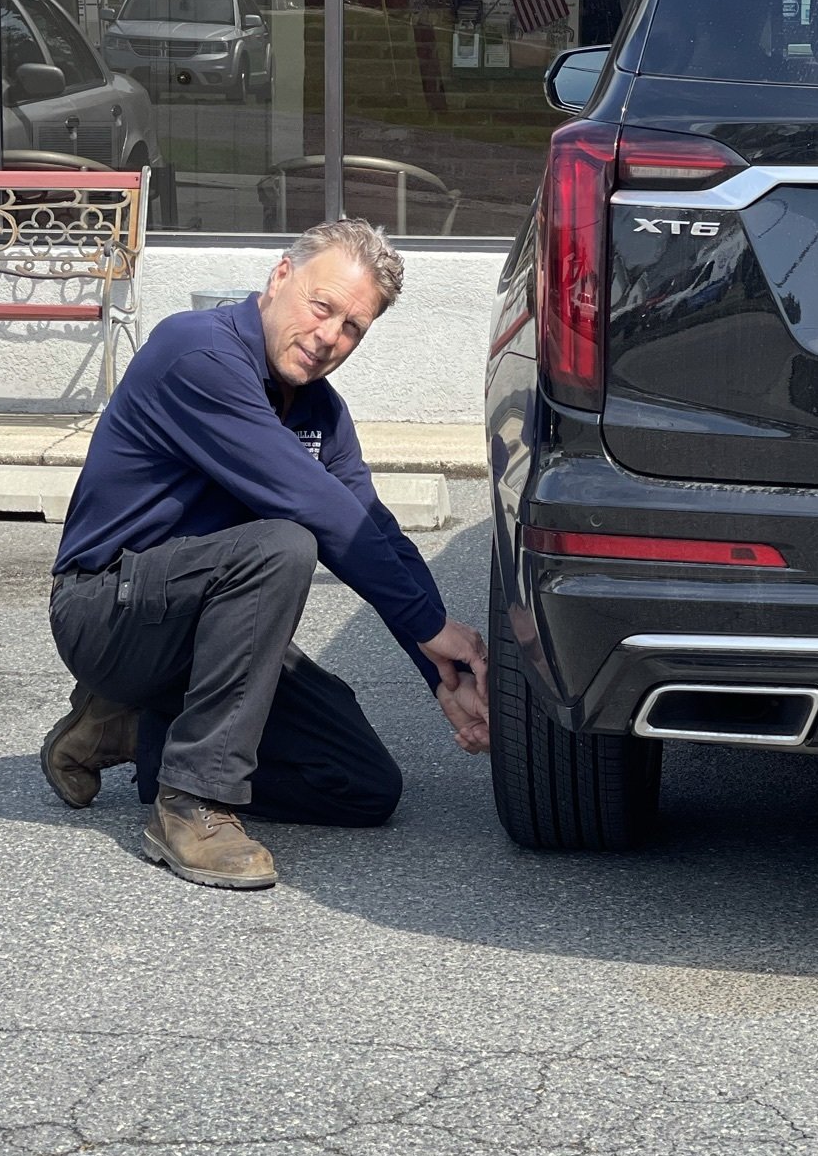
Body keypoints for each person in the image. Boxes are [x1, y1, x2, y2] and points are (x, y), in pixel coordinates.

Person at [43, 217, 490, 891]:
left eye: (353, 327)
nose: (329, 336)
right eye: (323, 305)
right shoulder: (198, 355)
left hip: (204, 630)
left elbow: (372, 528)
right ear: (280, 277)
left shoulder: (321, 411)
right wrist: (432, 630)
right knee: (286, 544)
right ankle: (192, 805)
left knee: (363, 786)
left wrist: (442, 675)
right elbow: (323, 514)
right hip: (106, 611)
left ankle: (137, 729)